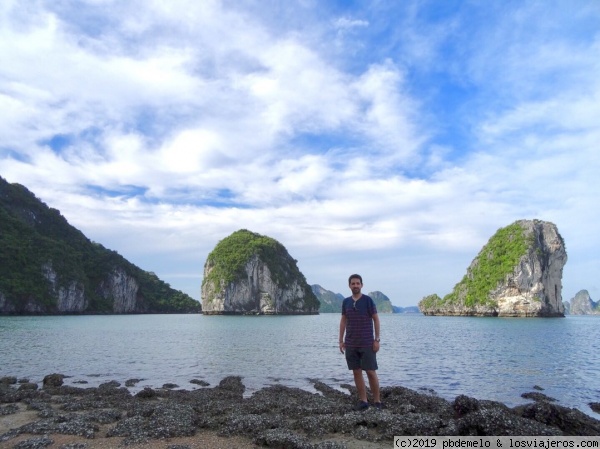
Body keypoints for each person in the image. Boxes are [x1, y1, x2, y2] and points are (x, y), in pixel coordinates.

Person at [338, 273, 382, 410]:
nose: (355, 285)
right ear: (349, 285)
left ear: (362, 285)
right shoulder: (346, 302)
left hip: (367, 343)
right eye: (353, 283)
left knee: (370, 371)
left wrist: (377, 340)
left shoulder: (368, 300)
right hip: (351, 343)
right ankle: (363, 400)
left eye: (358, 283)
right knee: (356, 372)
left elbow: (376, 319)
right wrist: (340, 340)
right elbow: (343, 321)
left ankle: (377, 401)